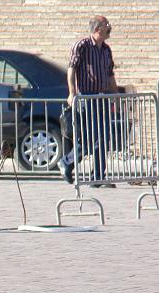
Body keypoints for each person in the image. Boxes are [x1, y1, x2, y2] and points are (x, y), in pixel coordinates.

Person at [58, 15, 118, 188]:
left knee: (103, 137)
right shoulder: (82, 46)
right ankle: (66, 162)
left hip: (102, 98)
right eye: (107, 24)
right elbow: (71, 70)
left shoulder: (106, 49)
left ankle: (98, 176)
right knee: (88, 139)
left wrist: (115, 94)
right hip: (86, 98)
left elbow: (110, 74)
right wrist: (72, 93)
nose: (109, 27)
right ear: (98, 29)